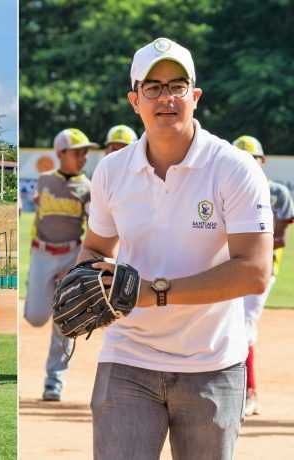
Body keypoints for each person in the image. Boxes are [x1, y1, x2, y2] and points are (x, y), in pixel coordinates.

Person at [80, 38, 273, 459]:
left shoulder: (234, 168)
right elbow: (94, 248)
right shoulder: (112, 171)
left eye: (177, 86)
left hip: (212, 363)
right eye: (152, 87)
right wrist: (83, 281)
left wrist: (156, 292)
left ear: (195, 96)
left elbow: (254, 271)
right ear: (135, 100)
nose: (166, 97)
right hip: (127, 357)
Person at [23, 127, 96, 402]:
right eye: (78, 152)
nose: (84, 157)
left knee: (66, 320)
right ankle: (41, 292)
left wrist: (78, 262)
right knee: (36, 317)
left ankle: (54, 381)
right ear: (61, 153)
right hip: (41, 253)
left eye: (86, 152)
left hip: (71, 254)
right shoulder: (43, 182)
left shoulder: (87, 188)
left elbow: (92, 228)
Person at [231, 134, 294, 417]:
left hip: (262, 270)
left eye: (252, 159)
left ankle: (248, 392)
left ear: (263, 161)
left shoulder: (277, 192)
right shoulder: (228, 190)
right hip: (230, 268)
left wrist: (243, 237)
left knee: (244, 326)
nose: (246, 164)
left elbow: (279, 238)